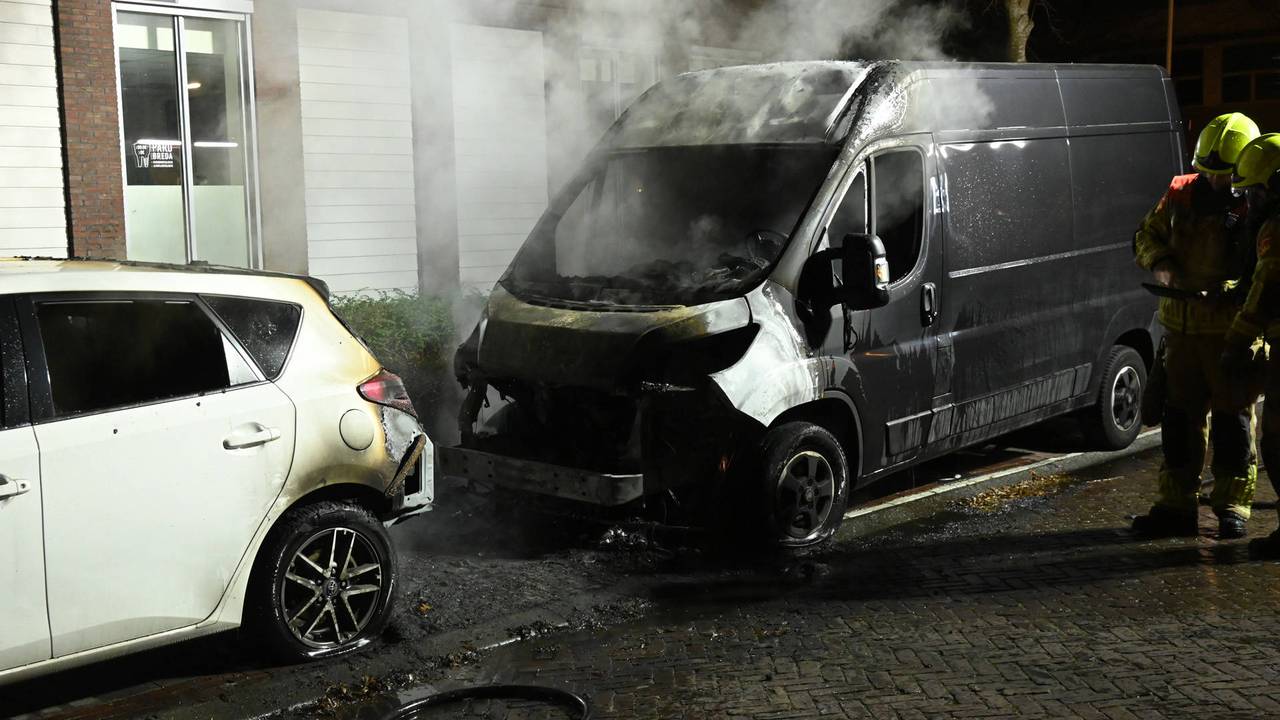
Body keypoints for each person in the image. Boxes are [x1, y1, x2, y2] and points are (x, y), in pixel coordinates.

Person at [1132, 112, 1261, 539]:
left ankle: (1233, 505)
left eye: (1224, 174)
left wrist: (1228, 290)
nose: (1216, 181)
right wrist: (1161, 264)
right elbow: (1145, 236)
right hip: (1181, 333)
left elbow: (1263, 269)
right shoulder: (1179, 195)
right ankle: (1176, 504)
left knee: (1232, 424)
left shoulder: (1257, 204)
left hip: (1231, 333)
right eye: (1209, 171)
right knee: (1178, 422)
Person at [1220, 133, 1280, 556]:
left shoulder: (1275, 227)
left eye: (1254, 191)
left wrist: (1237, 339)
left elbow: (1267, 286)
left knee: (1276, 438)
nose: (1249, 200)